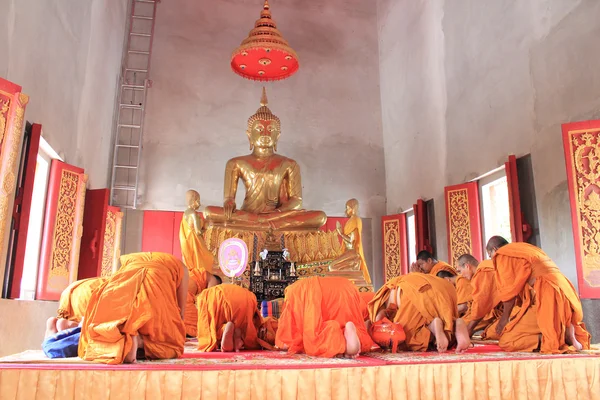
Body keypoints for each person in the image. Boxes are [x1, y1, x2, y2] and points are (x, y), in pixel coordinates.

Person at [79, 252, 188, 364]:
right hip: (156, 282)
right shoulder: (181, 267)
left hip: (127, 278)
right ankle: (140, 342)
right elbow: (181, 307)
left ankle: (124, 338)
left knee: (121, 319)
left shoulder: (128, 259)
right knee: (174, 345)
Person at [488, 236, 591, 353]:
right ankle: (565, 334)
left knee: (506, 341)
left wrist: (504, 319)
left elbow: (509, 292)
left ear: (495, 249)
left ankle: (554, 339)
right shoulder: (524, 248)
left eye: (489, 254)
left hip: (549, 291)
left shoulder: (502, 255)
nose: (491, 259)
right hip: (565, 288)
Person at [368, 273, 470, 353]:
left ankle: (433, 327)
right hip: (442, 287)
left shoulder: (374, 306)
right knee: (446, 323)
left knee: (406, 338)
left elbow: (379, 323)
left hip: (410, 292)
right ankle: (456, 323)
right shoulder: (387, 289)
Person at [276, 276, 374, 358]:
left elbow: (285, 342)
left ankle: (345, 347)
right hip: (346, 287)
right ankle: (349, 344)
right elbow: (365, 317)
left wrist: (278, 342)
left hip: (309, 291)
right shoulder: (371, 301)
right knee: (345, 330)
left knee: (314, 340)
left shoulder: (292, 297)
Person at [196, 284, 262, 352]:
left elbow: (204, 326)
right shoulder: (248, 293)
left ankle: (224, 331)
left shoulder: (204, 295)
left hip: (215, 297)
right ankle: (238, 337)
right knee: (245, 328)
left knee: (211, 330)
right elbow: (255, 320)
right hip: (246, 298)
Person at [455, 254, 503, 339]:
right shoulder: (483, 269)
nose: (461, 275)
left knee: (493, 334)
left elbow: (481, 304)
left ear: (467, 266)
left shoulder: (483, 273)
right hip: (495, 310)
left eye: (460, 271)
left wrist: (469, 328)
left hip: (511, 310)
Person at [184, 268, 222, 337]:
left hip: (178, 286)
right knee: (198, 325)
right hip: (185, 290)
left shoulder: (199, 273)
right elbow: (209, 299)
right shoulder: (214, 280)